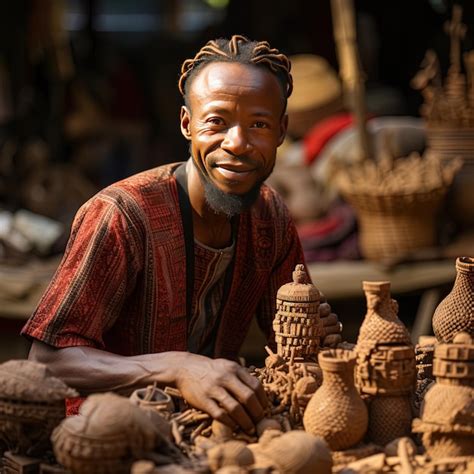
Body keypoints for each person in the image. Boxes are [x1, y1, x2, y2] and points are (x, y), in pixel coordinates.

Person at [21, 35, 341, 433]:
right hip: (104, 436)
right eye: (216, 122)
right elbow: (47, 360)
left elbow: (289, 333)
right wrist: (178, 367)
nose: (237, 143)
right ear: (187, 124)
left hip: (210, 431)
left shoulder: (269, 216)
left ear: (281, 131)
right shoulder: (122, 214)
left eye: (258, 124)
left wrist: (314, 330)